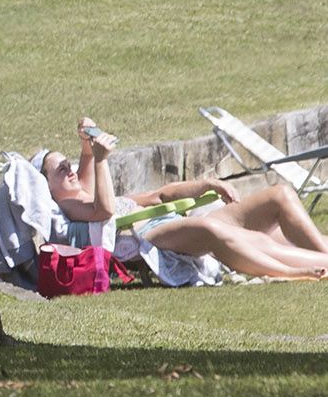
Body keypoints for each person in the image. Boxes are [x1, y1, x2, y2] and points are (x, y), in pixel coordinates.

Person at [35, 117, 327, 281]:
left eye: (68, 164)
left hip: (174, 220)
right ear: (47, 187)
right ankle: (293, 272)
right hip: (149, 235)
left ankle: (323, 256)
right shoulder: (69, 209)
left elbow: (158, 195)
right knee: (213, 230)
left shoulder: (84, 193)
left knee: (279, 196)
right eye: (59, 169)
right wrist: (99, 159)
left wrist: (206, 184)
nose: (68, 169)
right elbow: (104, 210)